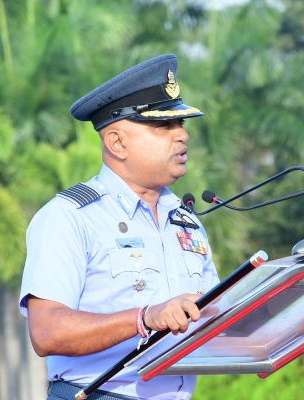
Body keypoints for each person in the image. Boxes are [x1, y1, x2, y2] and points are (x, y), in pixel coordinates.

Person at [19, 54, 219, 400]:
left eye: (181, 124)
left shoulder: (186, 223)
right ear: (117, 143)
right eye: (164, 126)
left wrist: (302, 313)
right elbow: (46, 331)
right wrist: (145, 318)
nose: (182, 135)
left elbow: (217, 317)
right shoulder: (70, 217)